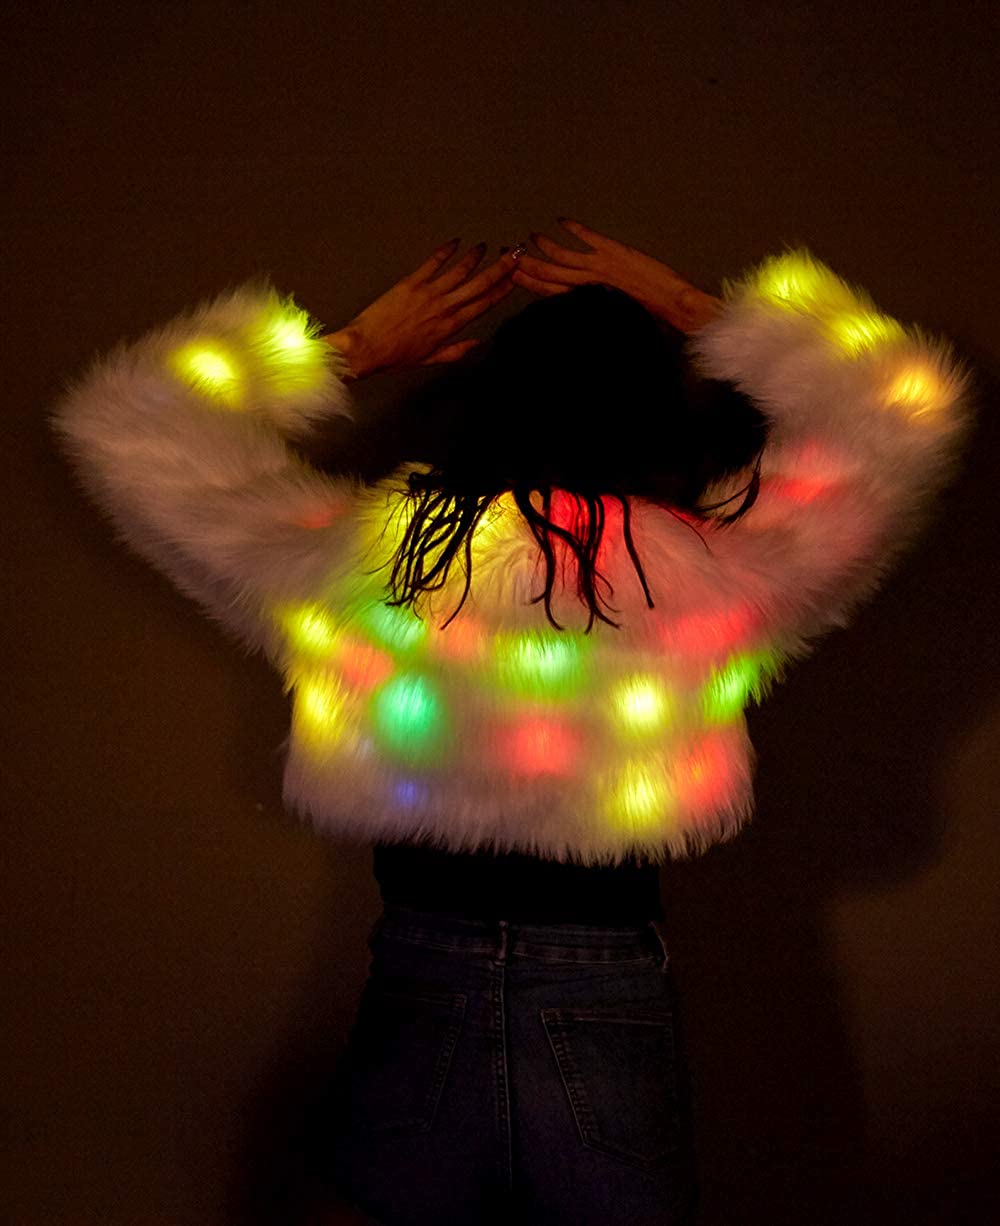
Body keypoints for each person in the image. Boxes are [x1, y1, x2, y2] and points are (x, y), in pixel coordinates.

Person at [50, 220, 970, 1225]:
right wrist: (697, 312)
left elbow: (128, 421)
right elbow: (903, 406)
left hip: (419, 977)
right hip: (604, 988)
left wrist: (350, 350)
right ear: (654, 416)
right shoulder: (716, 576)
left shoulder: (371, 568)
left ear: (485, 404)